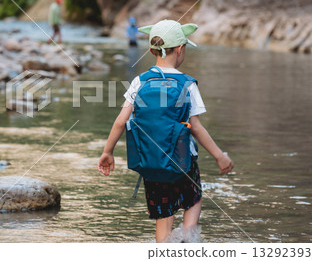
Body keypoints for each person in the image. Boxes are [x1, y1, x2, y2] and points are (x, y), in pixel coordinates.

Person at [97, 20, 234, 243]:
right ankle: (188, 240)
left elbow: (121, 121)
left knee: (164, 216)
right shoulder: (187, 84)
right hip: (183, 161)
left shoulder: (139, 82)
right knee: (194, 199)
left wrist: (107, 152)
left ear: (152, 50)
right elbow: (196, 128)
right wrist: (220, 156)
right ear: (180, 49)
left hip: (151, 163)